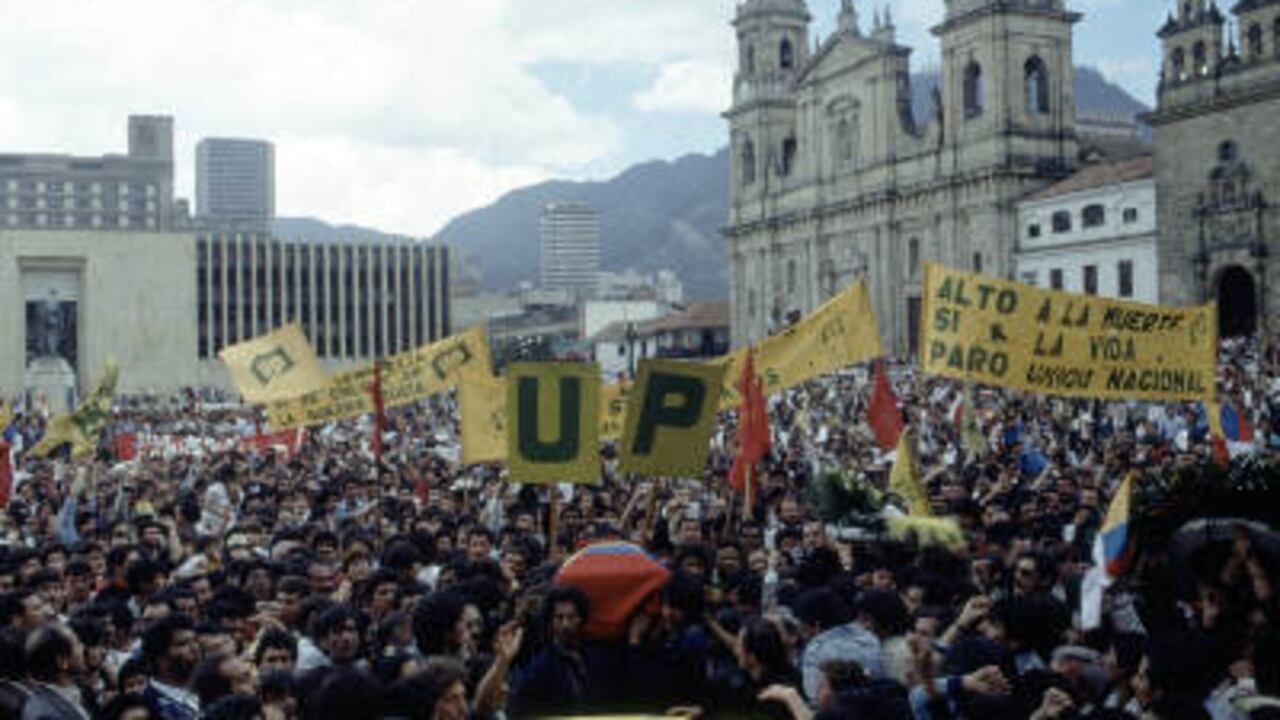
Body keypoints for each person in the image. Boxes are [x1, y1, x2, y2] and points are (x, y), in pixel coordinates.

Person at [21, 624, 89, 720]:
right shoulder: (47, 715)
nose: (83, 647)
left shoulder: (70, 693)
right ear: (62, 661)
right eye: (77, 644)